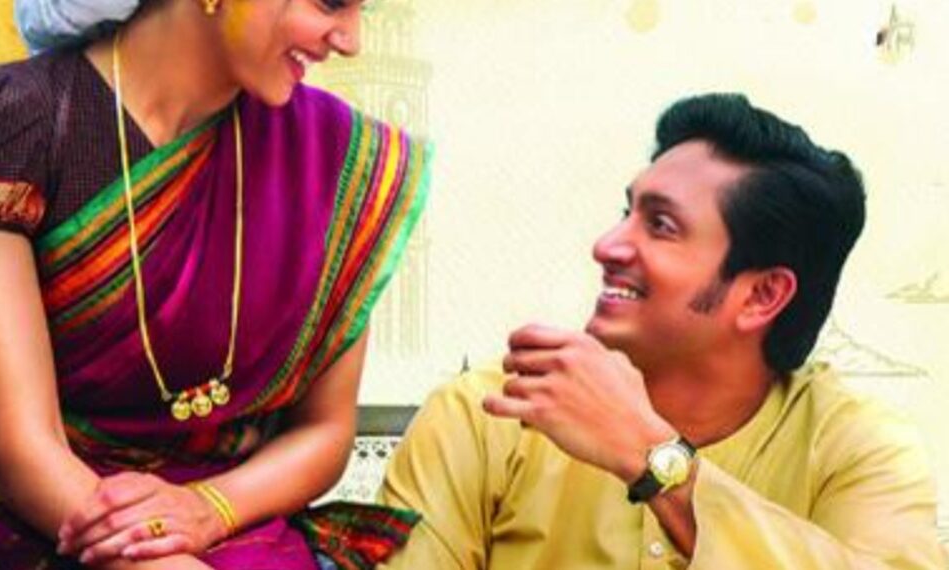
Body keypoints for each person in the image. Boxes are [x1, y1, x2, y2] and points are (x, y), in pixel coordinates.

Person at [0, 0, 431, 568]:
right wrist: (160, 553)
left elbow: (325, 431)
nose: (351, 41)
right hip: (10, 516)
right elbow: (24, 454)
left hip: (229, 526)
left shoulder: (336, 158)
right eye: (330, 2)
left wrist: (208, 508)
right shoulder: (9, 123)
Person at [377, 94, 946, 569]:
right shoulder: (487, 417)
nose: (607, 245)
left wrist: (654, 461)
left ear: (762, 295)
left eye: (661, 225)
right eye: (626, 212)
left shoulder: (856, 449)